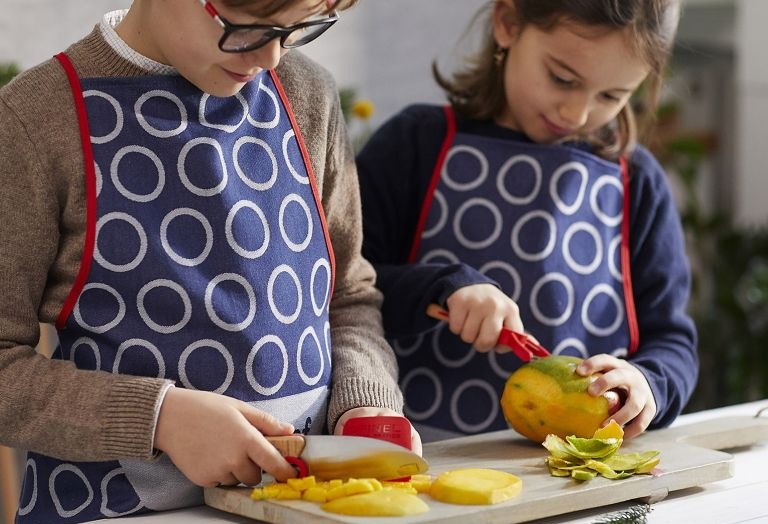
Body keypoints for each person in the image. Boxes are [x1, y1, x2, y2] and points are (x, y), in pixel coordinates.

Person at [0, 1, 419, 522]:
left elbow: (350, 294)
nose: (269, 57)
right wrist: (159, 419)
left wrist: (365, 397)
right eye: (246, 28)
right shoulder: (34, 120)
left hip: (305, 507)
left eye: (295, 30)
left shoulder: (307, 94)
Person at [357, 0, 697, 443]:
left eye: (612, 96)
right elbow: (344, 292)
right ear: (508, 23)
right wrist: (443, 287)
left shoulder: (639, 183)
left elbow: (673, 342)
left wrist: (649, 383)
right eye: (562, 78)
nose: (575, 114)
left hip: (576, 473)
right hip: (423, 456)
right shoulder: (414, 145)